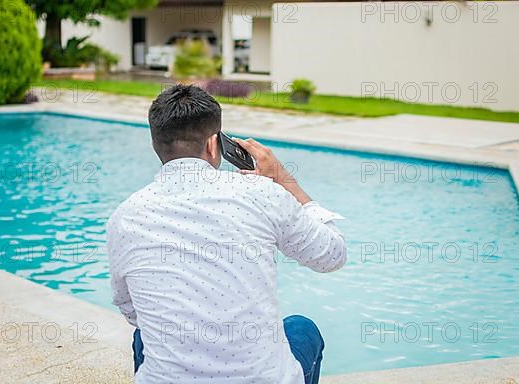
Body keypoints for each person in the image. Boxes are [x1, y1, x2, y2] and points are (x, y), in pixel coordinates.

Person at [107, 85, 347, 384]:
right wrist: (283, 180)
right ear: (213, 144)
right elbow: (332, 255)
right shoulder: (263, 193)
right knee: (302, 328)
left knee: (145, 336)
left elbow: (130, 308)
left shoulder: (124, 217)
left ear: (156, 143)